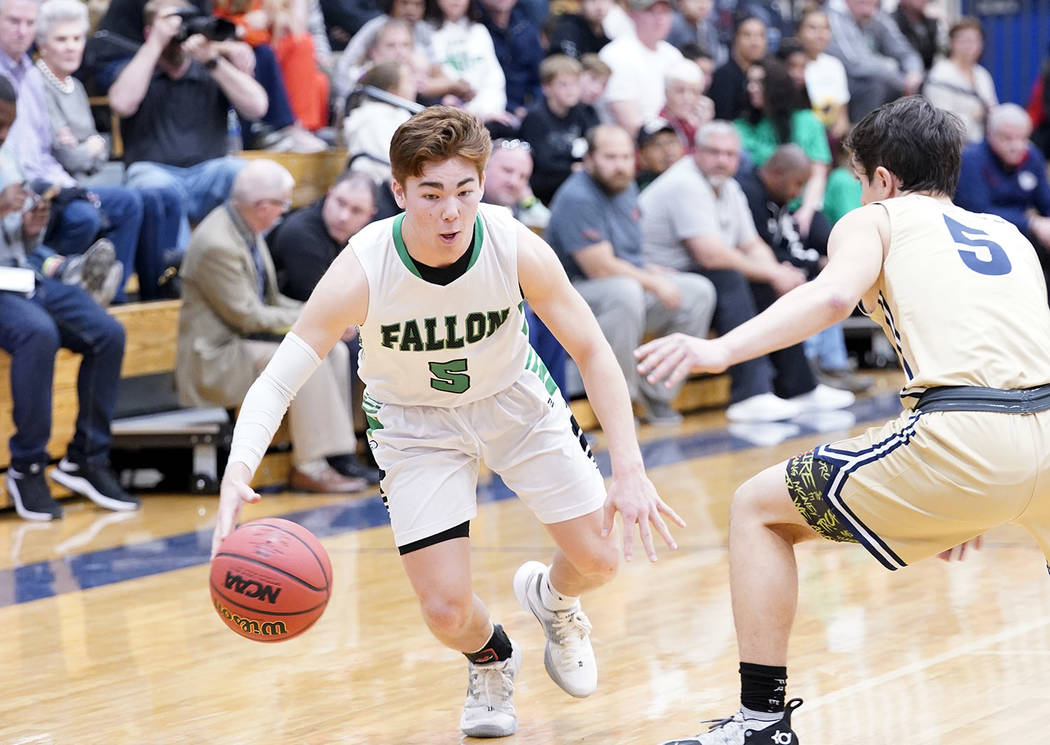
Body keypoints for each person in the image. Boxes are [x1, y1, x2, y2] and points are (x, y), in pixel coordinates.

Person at [211, 106, 684, 738]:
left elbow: (594, 350)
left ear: (483, 186)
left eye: (464, 191)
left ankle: (554, 599)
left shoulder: (515, 245)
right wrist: (238, 470)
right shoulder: (364, 267)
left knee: (600, 561)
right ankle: (491, 658)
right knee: (444, 609)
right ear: (399, 191)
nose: (450, 212)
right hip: (413, 425)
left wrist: (629, 469)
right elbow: (279, 378)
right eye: (431, 195)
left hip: (513, 400)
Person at [638, 94, 1050, 745]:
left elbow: (831, 294)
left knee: (756, 509)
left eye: (858, 180)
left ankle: (760, 723)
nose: (859, 192)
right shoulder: (1009, 234)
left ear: (881, 178)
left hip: (965, 437)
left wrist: (718, 348)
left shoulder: (876, 219)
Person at [639, 120, 853, 421]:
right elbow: (709, 254)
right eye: (713, 152)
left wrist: (778, 272)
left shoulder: (729, 187)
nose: (722, 160)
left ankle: (799, 387)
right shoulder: (684, 183)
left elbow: (752, 243)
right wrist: (771, 272)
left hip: (693, 274)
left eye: (729, 154)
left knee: (765, 282)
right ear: (695, 152)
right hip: (661, 278)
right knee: (733, 280)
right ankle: (750, 394)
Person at [175, 159, 367, 494]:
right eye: (283, 204)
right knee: (310, 357)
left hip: (242, 343)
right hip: (216, 357)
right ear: (263, 206)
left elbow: (273, 300)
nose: (285, 212)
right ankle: (309, 466)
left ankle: (338, 454)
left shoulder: (246, 227)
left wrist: (326, 315)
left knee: (332, 349)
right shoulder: (217, 243)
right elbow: (247, 317)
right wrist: (316, 318)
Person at [0, 74, 140, 522]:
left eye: (8, 126)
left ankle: (86, 458)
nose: (4, 135)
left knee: (107, 331)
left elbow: (16, 240)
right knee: (38, 333)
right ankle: (27, 465)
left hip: (18, 275)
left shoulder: (6, 156)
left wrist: (30, 224)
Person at [548, 123, 716, 423]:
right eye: (610, 158)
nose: (620, 166)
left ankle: (656, 396)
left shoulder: (626, 188)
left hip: (620, 287)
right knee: (624, 293)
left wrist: (651, 272)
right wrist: (652, 282)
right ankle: (618, 403)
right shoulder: (578, 196)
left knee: (697, 291)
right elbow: (599, 267)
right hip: (572, 295)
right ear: (589, 160)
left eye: (626, 157)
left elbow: (626, 256)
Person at [29, 0, 183, 302]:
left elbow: (99, 151)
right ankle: (110, 295)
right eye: (62, 39)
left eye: (77, 39)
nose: (72, 47)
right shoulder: (37, 83)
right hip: (57, 186)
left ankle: (146, 292)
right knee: (128, 202)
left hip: (83, 179)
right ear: (42, 44)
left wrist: (86, 147)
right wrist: (88, 148)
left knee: (155, 198)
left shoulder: (74, 85)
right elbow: (71, 156)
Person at [108, 0, 267, 252]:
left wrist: (213, 61)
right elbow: (121, 104)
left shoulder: (210, 67)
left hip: (208, 175)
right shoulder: (138, 68)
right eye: (169, 23)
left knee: (252, 177)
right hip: (154, 172)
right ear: (149, 30)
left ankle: (249, 265)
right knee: (156, 187)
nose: (179, 32)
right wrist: (155, 43)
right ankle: (180, 272)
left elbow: (258, 107)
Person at [267, 170, 383, 484]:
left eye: (356, 210)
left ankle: (380, 450)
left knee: (383, 342)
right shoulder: (300, 234)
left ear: (370, 215)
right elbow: (324, 310)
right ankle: (341, 454)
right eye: (340, 203)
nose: (344, 216)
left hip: (312, 325)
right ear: (329, 194)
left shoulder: (369, 237)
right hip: (281, 328)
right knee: (352, 347)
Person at [736, 144, 872, 392]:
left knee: (827, 282)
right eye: (797, 184)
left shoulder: (779, 198)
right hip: (754, 272)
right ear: (777, 173)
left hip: (779, 266)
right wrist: (807, 265)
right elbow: (757, 247)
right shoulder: (748, 193)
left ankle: (833, 365)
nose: (799, 193)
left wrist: (815, 263)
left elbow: (788, 245)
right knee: (807, 287)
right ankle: (810, 369)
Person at [953, 103, 1050, 299]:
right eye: (1007, 138)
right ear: (990, 135)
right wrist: (1031, 222)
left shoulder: (1032, 157)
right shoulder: (971, 160)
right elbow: (978, 212)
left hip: (1025, 237)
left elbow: (1046, 202)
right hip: (982, 240)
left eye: (1023, 138)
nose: (1017, 146)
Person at [518, 54, 599, 206]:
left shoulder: (582, 112)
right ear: (547, 88)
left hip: (575, 180)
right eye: (563, 85)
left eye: (575, 84)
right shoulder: (535, 117)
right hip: (543, 187)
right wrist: (571, 168)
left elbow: (594, 142)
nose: (571, 90)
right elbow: (542, 161)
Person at [827, 0, 923, 122]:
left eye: (874, 3)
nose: (869, 9)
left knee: (917, 85)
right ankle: (862, 135)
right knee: (874, 84)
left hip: (885, 78)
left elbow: (906, 52)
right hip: (844, 81)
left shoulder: (876, 16)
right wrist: (895, 73)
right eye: (863, 3)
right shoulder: (833, 16)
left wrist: (913, 73)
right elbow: (855, 64)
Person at [598, 0, 683, 137]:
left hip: (670, 139)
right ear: (632, 14)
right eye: (651, 12)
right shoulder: (617, 54)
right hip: (628, 145)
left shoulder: (672, 55)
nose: (659, 19)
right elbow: (630, 124)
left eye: (665, 12)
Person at [922, 17, 997, 145]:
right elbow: (941, 124)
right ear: (952, 42)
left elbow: (994, 110)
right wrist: (974, 116)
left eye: (975, 40)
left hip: (985, 146)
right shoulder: (940, 74)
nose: (970, 45)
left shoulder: (982, 74)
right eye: (965, 40)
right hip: (954, 148)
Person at [795, 3, 849, 141]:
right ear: (798, 32)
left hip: (831, 136)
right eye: (812, 28)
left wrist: (837, 132)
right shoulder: (793, 66)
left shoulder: (835, 65)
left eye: (825, 28)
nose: (820, 34)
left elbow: (842, 114)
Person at [707, 13, 765, 122]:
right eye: (747, 35)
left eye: (761, 35)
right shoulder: (723, 76)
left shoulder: (767, 73)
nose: (755, 42)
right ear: (735, 38)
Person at [546, 0, 611, 61]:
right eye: (592, 1)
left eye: (604, 0)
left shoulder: (608, 32)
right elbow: (563, 64)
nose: (599, 7)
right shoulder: (569, 28)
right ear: (580, 2)